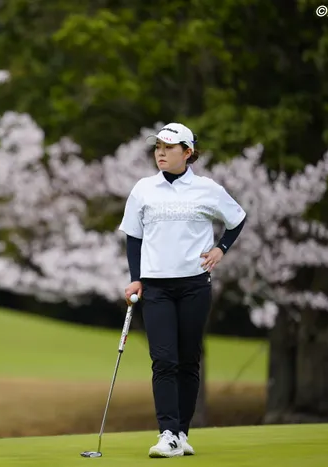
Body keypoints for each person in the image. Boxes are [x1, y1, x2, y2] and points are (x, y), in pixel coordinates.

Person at [118, 123, 246, 458]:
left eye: (168, 148)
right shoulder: (143, 189)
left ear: (187, 152)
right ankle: (167, 433)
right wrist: (136, 278)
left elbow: (237, 219)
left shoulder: (207, 189)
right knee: (163, 360)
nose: (160, 153)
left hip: (194, 285)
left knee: (189, 361)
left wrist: (221, 249)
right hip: (156, 286)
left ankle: (181, 434)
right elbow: (134, 237)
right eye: (157, 147)